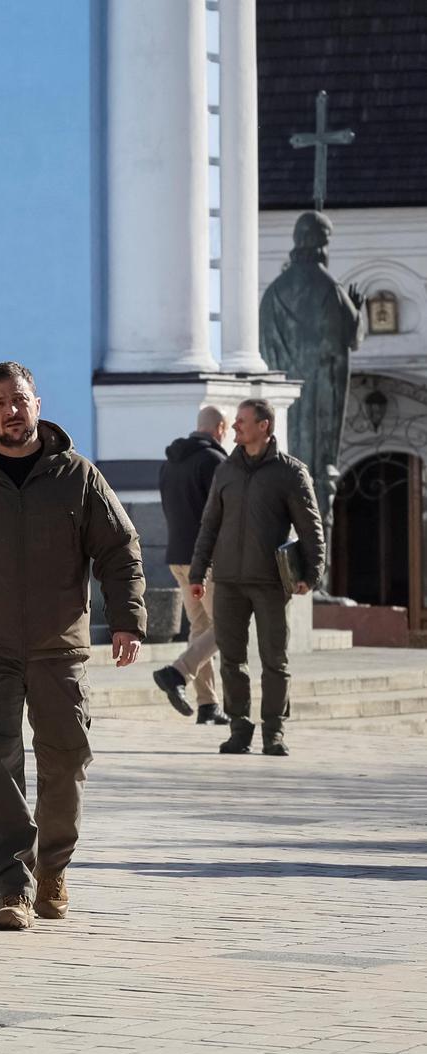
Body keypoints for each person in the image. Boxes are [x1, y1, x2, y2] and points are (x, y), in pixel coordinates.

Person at [0, 362, 145, 931]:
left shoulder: (79, 478)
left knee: (66, 761)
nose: (11, 411)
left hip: (59, 648)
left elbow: (120, 549)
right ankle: (13, 885)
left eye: (19, 399)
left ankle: (54, 868)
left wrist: (127, 619)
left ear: (37, 401)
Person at [188, 399, 325, 758]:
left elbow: (310, 526)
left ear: (264, 426)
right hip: (229, 581)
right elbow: (209, 524)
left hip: (269, 582)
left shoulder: (290, 472)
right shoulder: (226, 470)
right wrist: (198, 571)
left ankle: (274, 732)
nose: (235, 428)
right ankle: (239, 729)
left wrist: (312, 573)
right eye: (234, 424)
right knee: (232, 661)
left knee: (274, 661)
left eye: (242, 423)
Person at [259, 211, 366, 531]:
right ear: (321, 245)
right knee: (319, 469)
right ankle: (316, 561)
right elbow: (350, 336)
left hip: (283, 394)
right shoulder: (329, 287)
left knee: (288, 463)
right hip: (321, 395)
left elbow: (264, 346)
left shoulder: (274, 291)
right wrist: (358, 312)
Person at [152, 406, 232, 725]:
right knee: (227, 626)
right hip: (207, 559)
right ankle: (177, 672)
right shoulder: (215, 462)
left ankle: (208, 704)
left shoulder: (169, 464)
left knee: (200, 628)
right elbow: (225, 513)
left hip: (178, 558)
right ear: (221, 428)